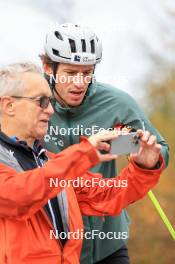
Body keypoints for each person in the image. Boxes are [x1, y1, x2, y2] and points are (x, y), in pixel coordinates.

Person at [0, 62, 165, 264]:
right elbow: (18, 196)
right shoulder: (55, 167)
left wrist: (145, 167)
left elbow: (107, 194)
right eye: (41, 101)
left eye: (50, 102)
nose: (50, 110)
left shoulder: (49, 162)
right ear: (9, 105)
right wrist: (84, 153)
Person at [40, 23, 169, 264]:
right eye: (70, 73)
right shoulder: (30, 101)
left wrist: (145, 157)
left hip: (105, 245)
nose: (79, 83)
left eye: (87, 72)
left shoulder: (117, 103)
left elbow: (158, 150)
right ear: (48, 67)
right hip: (48, 246)